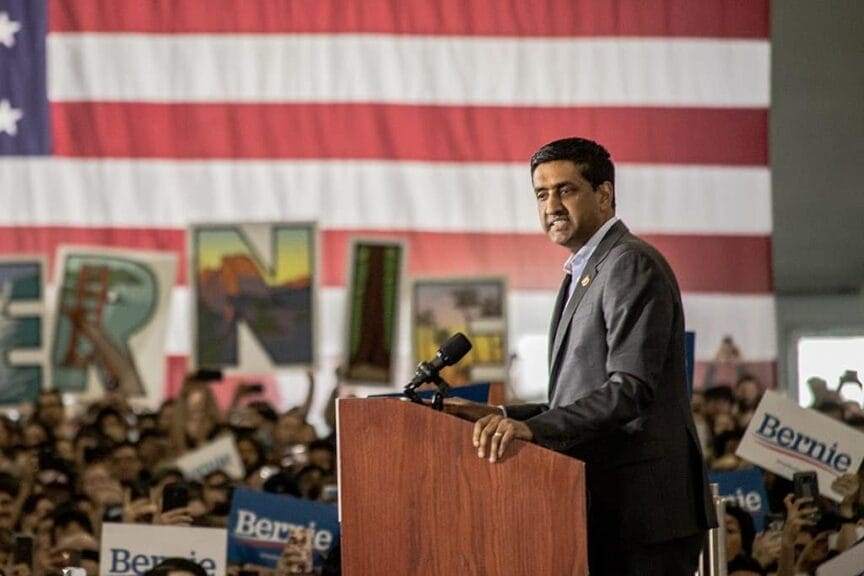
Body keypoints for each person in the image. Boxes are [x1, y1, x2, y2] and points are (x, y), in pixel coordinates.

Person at [449, 137, 715, 575]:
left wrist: (530, 430)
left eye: (565, 190)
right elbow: (578, 396)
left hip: (644, 512)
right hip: (611, 508)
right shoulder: (587, 271)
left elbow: (628, 391)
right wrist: (497, 412)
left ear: (604, 195)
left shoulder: (629, 264)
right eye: (541, 194)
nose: (551, 204)